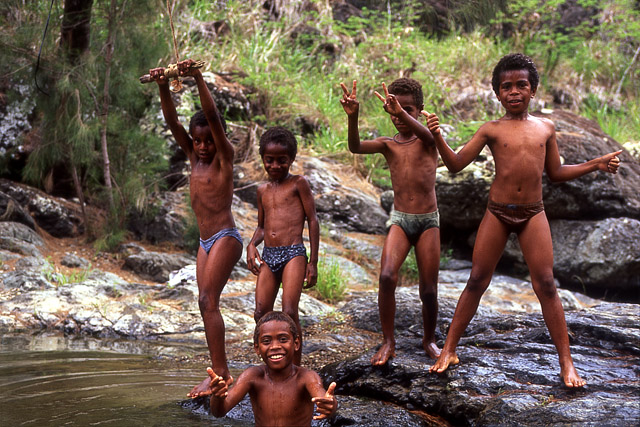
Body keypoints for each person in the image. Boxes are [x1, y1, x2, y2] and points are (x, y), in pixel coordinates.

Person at [421, 53, 621, 388]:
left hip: (533, 213)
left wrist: (595, 163)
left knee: (545, 284)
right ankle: (450, 350)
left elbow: (555, 173)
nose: (514, 92)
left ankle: (567, 362)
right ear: (498, 94)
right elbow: (455, 165)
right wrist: (438, 135)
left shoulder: (546, 128)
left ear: (533, 90)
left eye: (521, 85)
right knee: (476, 280)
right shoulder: (491, 129)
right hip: (497, 212)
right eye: (506, 87)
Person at [150, 59, 243, 397]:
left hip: (226, 238)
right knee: (204, 304)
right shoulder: (193, 156)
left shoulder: (224, 159)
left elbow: (214, 119)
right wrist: (163, 85)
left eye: (208, 141)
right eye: (198, 140)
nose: (203, 146)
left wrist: (198, 78)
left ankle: (221, 373)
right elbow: (172, 121)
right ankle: (217, 369)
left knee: (208, 298)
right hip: (204, 242)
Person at [339, 78, 441, 366]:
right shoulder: (389, 145)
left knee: (429, 289)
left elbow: (431, 139)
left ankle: (429, 340)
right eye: (392, 109)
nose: (398, 116)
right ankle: (388, 341)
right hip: (400, 219)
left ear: (420, 110)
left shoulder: (428, 138)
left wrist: (402, 112)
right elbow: (356, 146)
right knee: (386, 277)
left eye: (406, 109)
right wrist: (353, 115)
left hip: (427, 221)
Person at [246, 126, 319, 365]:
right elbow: (263, 227)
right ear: (262, 159)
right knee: (260, 312)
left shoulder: (299, 183)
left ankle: (295, 368)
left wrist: (313, 262)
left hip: (293, 253)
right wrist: (251, 245)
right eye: (270, 160)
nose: (275, 166)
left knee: (289, 311)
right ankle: (273, 363)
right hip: (270, 254)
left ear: (291, 160)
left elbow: (313, 220)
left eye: (282, 161)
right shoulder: (262, 191)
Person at [207, 311, 337, 426]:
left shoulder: (306, 377)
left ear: (296, 343)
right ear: (257, 348)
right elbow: (219, 412)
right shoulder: (252, 376)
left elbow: (323, 398)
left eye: (283, 339)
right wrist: (217, 396)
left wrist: (330, 405)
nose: (275, 346)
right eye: (266, 341)